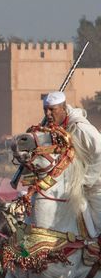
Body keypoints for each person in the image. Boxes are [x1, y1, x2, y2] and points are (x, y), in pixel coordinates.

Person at [42, 91, 101, 236]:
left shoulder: (81, 128)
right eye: (45, 110)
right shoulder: (55, 129)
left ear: (63, 108)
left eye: (52, 110)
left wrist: (86, 180)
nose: (48, 114)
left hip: (95, 186)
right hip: (71, 187)